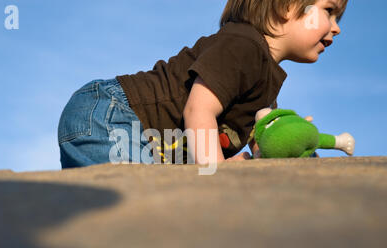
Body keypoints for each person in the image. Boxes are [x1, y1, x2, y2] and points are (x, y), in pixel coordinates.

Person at [58, 0, 348, 169]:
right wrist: (217, 171)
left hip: (135, 133)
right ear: (287, 5)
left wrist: (298, 145)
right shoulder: (243, 46)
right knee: (136, 209)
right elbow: (199, 109)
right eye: (329, 10)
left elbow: (265, 145)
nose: (336, 27)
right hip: (112, 115)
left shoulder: (267, 86)